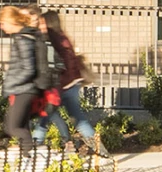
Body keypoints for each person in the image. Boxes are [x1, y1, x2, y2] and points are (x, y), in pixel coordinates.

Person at [36, 10, 110, 155]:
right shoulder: (62, 38)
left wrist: (54, 85)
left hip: (62, 87)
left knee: (45, 118)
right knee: (77, 121)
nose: (40, 25)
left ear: (48, 23)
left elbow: (59, 65)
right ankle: (99, 152)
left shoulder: (54, 40)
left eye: (42, 22)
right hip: (70, 85)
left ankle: (32, 150)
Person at [0, 5, 54, 161]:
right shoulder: (24, 37)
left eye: (3, 23)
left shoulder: (23, 39)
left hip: (24, 89)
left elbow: (28, 69)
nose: (1, 27)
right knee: (21, 125)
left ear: (11, 21)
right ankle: (28, 156)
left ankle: (31, 157)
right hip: (24, 89)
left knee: (13, 127)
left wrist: (11, 84)